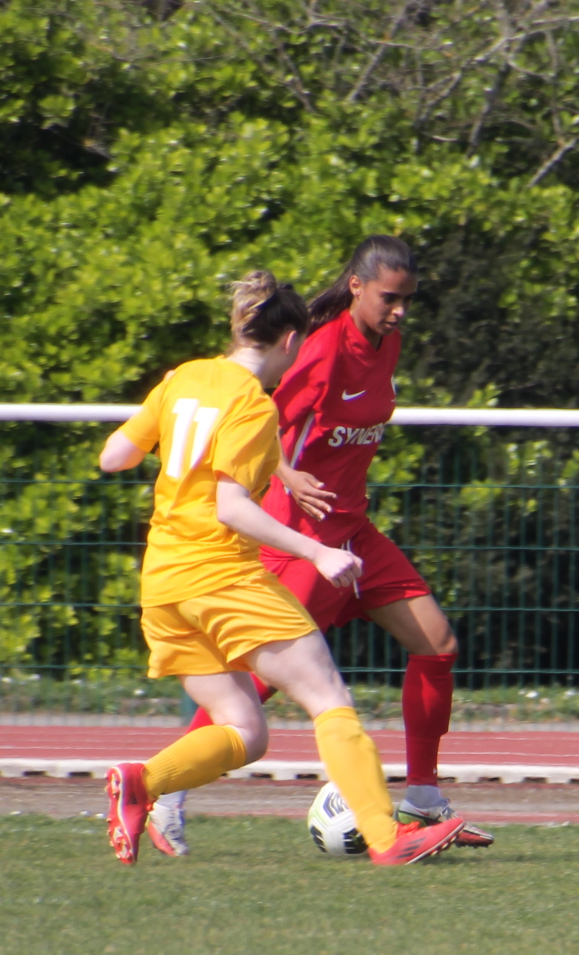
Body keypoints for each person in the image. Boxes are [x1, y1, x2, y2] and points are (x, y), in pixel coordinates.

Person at [98, 270, 468, 868]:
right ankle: (385, 836)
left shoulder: (182, 377)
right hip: (221, 574)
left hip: (163, 584)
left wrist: (166, 430)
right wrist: (317, 552)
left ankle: (142, 783)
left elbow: (114, 456)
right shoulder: (252, 404)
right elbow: (231, 508)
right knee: (328, 697)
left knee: (246, 731)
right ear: (290, 341)